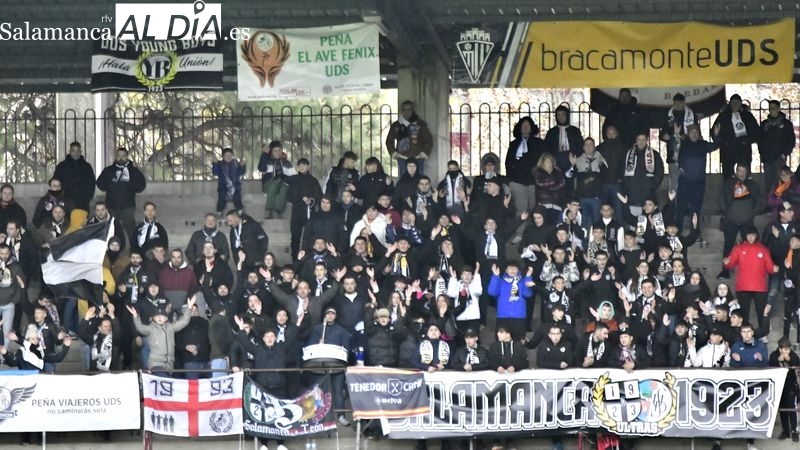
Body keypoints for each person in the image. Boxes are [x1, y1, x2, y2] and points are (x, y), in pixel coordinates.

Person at [233, 316, 289, 450]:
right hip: (262, 388)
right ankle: (264, 444)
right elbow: (246, 343)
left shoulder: (281, 349)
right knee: (263, 416)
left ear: (276, 338)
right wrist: (241, 329)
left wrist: (298, 322)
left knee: (280, 414)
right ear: (263, 339)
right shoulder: (257, 349)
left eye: (272, 336)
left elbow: (292, 336)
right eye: (267, 336)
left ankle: (280, 444)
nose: (269, 338)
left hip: (279, 387)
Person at [723, 227, 777, 335]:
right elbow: (730, 264)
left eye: (752, 235)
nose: (750, 238)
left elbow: (769, 268)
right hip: (743, 286)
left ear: (756, 235)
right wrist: (726, 263)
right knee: (744, 313)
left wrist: (774, 268)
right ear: (745, 236)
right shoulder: (738, 248)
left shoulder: (763, 249)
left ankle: (763, 334)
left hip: (759, 287)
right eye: (748, 235)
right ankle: (743, 334)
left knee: (761, 311)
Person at [127, 295, 196, 376]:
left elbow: (184, 322)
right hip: (156, 365)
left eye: (162, 316)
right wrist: (136, 317)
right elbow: (140, 328)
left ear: (166, 318)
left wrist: (189, 308)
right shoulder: (151, 328)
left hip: (169, 366)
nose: (159, 317)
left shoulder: (171, 327)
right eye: (157, 316)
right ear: (154, 318)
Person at [717, 165, 763, 279]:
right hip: (730, 219)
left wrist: (751, 213)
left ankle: (751, 270)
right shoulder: (728, 184)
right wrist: (727, 211)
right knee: (728, 246)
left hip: (746, 220)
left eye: (743, 171)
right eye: (739, 171)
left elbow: (759, 202)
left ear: (747, 172)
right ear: (736, 171)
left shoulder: (753, 185)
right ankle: (725, 270)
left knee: (749, 246)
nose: (741, 173)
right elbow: (721, 199)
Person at [729, 323, 768, 450]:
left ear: (752, 332)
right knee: (733, 411)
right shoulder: (736, 346)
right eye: (743, 332)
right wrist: (737, 361)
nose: (746, 334)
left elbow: (765, 364)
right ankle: (720, 439)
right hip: (739, 385)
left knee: (752, 413)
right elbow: (733, 366)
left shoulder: (761, 346)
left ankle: (750, 442)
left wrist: (759, 360)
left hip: (755, 385)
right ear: (740, 333)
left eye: (748, 331)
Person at [96, 147, 146, 240]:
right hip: (111, 206)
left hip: (128, 207)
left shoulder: (133, 171)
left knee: (131, 231)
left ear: (127, 156)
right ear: (116, 156)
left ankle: (134, 248)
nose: (121, 158)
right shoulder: (109, 170)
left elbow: (141, 186)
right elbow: (100, 184)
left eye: (123, 156)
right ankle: (112, 248)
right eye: (119, 155)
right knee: (112, 230)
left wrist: (130, 185)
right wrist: (110, 185)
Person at [675, 123, 719, 229]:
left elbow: (715, 146)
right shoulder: (683, 143)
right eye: (692, 132)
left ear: (699, 134)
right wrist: (676, 135)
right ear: (688, 133)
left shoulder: (703, 144)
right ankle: (677, 231)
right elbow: (673, 148)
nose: (694, 134)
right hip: (684, 181)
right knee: (681, 207)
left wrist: (716, 135)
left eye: (696, 132)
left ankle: (694, 231)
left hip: (698, 182)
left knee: (696, 208)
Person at [712, 94, 760, 179]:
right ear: (730, 104)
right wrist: (722, 141)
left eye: (737, 102)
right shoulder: (723, 116)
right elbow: (715, 132)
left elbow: (756, 132)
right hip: (727, 151)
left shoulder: (747, 116)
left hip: (744, 150)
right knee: (728, 177)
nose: (735, 105)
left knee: (744, 177)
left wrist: (746, 141)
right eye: (733, 102)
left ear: (741, 103)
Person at [286, 158, 323, 258]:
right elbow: (288, 196)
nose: (302, 167)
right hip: (297, 213)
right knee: (295, 238)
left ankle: (309, 259)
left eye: (304, 165)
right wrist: (301, 198)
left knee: (310, 237)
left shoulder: (313, 181)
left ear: (308, 166)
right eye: (300, 166)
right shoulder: (294, 180)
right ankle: (295, 260)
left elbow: (319, 196)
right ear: (297, 167)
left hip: (310, 214)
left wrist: (311, 200)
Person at [506, 116, 543, 216]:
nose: (525, 127)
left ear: (532, 127)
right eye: (523, 125)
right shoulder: (514, 144)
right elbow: (508, 163)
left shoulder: (539, 143)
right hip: (517, 181)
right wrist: (511, 180)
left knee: (533, 210)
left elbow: (543, 161)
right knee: (521, 210)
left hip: (533, 181)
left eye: (528, 125)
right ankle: (520, 227)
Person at [660, 93, 697, 191]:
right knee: (674, 183)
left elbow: (697, 133)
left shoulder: (691, 114)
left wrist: (687, 137)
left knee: (688, 181)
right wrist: (665, 136)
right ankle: (674, 200)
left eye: (680, 103)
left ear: (684, 103)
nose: (678, 105)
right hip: (673, 154)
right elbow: (662, 133)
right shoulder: (668, 115)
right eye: (676, 103)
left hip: (688, 154)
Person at [621, 132, 664, 216]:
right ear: (636, 140)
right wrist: (627, 185)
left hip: (648, 193)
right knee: (633, 219)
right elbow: (622, 171)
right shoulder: (628, 154)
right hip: (633, 193)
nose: (641, 142)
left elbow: (660, 171)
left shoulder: (654, 154)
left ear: (647, 140)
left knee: (648, 218)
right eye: (639, 139)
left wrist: (652, 185)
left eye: (643, 139)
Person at [386, 100, 433, 175]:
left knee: (419, 179)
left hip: (418, 157)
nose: (407, 112)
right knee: (404, 180)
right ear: (402, 110)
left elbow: (428, 140)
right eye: (404, 109)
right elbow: (389, 141)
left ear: (413, 110)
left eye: (409, 109)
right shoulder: (396, 125)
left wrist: (424, 153)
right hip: (402, 157)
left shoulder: (421, 124)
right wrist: (394, 153)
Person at [53, 141, 96, 224]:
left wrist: (87, 198)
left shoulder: (87, 167)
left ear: (81, 152)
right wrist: (60, 197)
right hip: (65, 203)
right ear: (69, 151)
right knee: (66, 226)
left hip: (82, 203)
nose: (76, 153)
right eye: (73, 151)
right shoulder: (62, 166)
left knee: (81, 226)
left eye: (78, 151)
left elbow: (92, 184)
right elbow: (56, 182)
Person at [759, 100, 796, 194]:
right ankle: (769, 201)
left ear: (779, 108)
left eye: (774, 108)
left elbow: (791, 140)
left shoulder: (786, 124)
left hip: (779, 158)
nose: (772, 110)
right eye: (770, 108)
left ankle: (781, 202)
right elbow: (760, 140)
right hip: (767, 158)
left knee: (781, 182)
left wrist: (784, 153)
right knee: (768, 183)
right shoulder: (764, 124)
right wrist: (762, 153)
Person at [597, 125, 629, 224]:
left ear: (617, 134)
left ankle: (619, 231)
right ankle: (602, 231)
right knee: (603, 211)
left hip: (617, 184)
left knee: (618, 212)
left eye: (613, 133)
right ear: (606, 134)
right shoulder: (600, 148)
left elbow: (626, 166)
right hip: (604, 184)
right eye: (609, 134)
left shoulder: (624, 148)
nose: (611, 136)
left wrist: (623, 181)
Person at [572, 137, 608, 224]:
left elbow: (605, 175)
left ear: (594, 147)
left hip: (596, 197)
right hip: (582, 197)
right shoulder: (577, 160)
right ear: (583, 147)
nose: (589, 147)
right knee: (584, 222)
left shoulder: (600, 158)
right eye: (586, 144)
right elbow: (572, 176)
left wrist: (601, 164)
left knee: (596, 222)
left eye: (591, 144)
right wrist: (573, 165)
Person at [770, 337, 800, 442]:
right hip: (779, 386)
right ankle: (785, 431)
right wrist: (778, 361)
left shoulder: (793, 355)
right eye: (785, 349)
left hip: (790, 386)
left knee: (792, 409)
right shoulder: (774, 355)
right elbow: (770, 365)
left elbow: (798, 363)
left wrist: (789, 360)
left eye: (789, 349)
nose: (787, 351)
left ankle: (794, 431)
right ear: (780, 349)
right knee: (782, 410)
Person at [544, 104, 584, 177]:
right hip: (555, 163)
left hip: (571, 161)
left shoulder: (575, 131)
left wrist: (575, 159)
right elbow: (546, 148)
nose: (560, 117)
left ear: (567, 115)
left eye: (563, 114)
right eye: (558, 115)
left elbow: (580, 147)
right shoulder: (551, 132)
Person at [212, 147, 246, 215]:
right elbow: (215, 173)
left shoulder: (236, 163)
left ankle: (240, 211)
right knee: (221, 198)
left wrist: (242, 166)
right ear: (223, 156)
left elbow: (241, 173)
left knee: (237, 198)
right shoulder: (219, 164)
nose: (228, 157)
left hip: (235, 186)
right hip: (223, 186)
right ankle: (219, 211)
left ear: (232, 156)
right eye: (226, 155)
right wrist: (215, 163)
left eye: (230, 155)